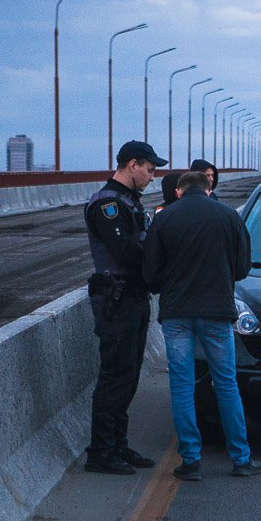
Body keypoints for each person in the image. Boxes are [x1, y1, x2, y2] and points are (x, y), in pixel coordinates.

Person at [143, 171, 260, 480]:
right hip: (217, 313)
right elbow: (242, 268)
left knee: (182, 385)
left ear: (179, 191)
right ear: (209, 189)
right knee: (226, 383)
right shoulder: (229, 216)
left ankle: (191, 460)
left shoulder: (165, 218)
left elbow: (151, 274)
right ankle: (241, 459)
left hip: (177, 313)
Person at [83, 140, 166, 475]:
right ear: (132, 165)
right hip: (116, 300)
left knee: (130, 375)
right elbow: (125, 251)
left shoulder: (131, 202)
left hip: (134, 297)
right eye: (149, 169)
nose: (151, 177)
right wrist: (161, 260)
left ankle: (119, 444)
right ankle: (100, 452)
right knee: (115, 376)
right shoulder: (108, 205)